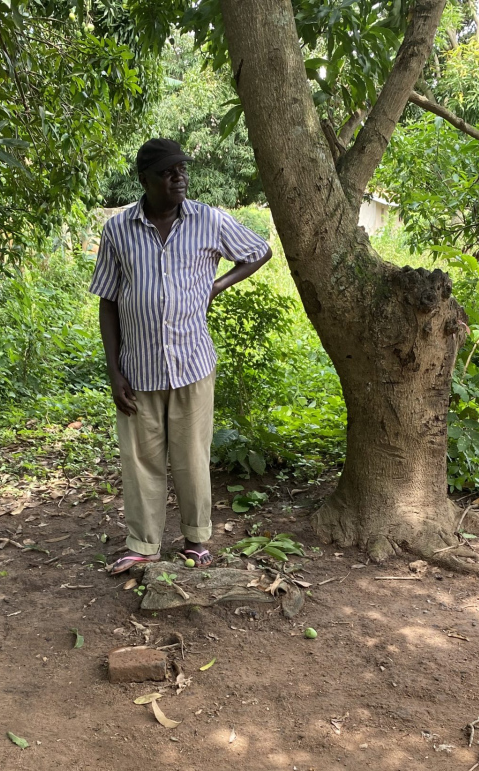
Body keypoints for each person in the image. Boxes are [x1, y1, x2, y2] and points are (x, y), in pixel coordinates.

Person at [90, 137, 272, 575]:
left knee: (192, 458)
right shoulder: (118, 230)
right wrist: (114, 372)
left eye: (182, 170)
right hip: (138, 369)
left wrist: (217, 285)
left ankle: (195, 539)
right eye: (167, 172)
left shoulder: (208, 220)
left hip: (192, 364)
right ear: (144, 179)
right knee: (141, 462)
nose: (179, 178)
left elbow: (259, 250)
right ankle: (145, 544)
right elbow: (108, 301)